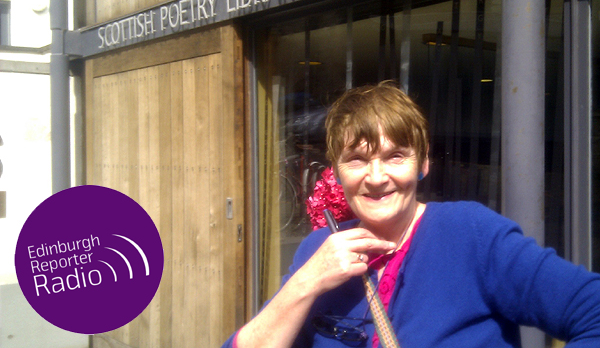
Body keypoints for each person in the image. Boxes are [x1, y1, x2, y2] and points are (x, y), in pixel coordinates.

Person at [222, 82, 600, 348]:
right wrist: (306, 282)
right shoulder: (318, 249)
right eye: (356, 159)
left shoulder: (471, 235)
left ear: (423, 164)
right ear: (336, 173)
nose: (376, 177)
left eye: (395, 156)